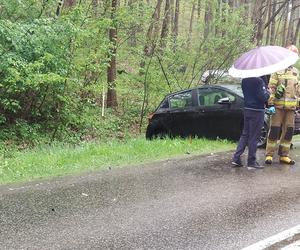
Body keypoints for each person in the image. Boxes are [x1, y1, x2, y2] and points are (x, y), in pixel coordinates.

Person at [265, 45, 300, 165]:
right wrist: (270, 104)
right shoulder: (277, 70)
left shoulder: (296, 72)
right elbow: (271, 89)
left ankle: (284, 155)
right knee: (274, 130)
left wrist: (298, 104)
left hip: (291, 109)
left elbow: (298, 91)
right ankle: (269, 155)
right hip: (278, 107)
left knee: (289, 131)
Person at [232, 76, 270, 169]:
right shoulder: (259, 81)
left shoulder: (244, 80)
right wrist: (268, 93)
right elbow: (263, 97)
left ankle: (236, 158)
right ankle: (251, 161)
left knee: (245, 135)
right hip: (257, 110)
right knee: (254, 136)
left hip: (247, 109)